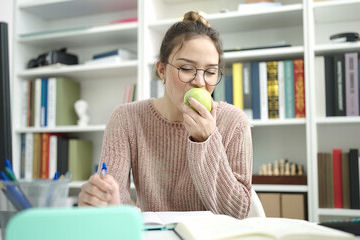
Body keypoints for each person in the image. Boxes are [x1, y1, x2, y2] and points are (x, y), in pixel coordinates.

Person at [78, 11, 253, 219]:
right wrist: (104, 201)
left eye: (210, 72)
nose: (200, 82)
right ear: (161, 70)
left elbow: (238, 213)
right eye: (187, 68)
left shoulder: (233, 121)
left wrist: (207, 140)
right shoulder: (126, 119)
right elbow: (115, 203)